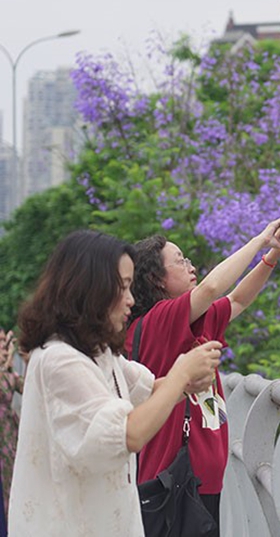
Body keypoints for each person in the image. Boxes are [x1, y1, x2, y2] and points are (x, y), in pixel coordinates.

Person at [8, 230, 223, 537]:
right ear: (91, 290)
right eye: (122, 288)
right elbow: (129, 433)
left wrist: (187, 383)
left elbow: (150, 390)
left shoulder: (99, 353)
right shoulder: (59, 361)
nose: (131, 300)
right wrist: (182, 374)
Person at [128, 216, 280, 535]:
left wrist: (270, 257)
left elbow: (236, 300)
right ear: (156, 278)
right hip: (173, 480)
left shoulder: (194, 320)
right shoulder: (158, 321)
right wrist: (259, 240)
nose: (190, 266)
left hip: (199, 480)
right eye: (180, 260)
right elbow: (212, 288)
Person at [0, 328, 22, 530]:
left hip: (9, 437)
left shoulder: (8, 373)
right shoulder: (5, 373)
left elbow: (29, 387)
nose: (3, 347)